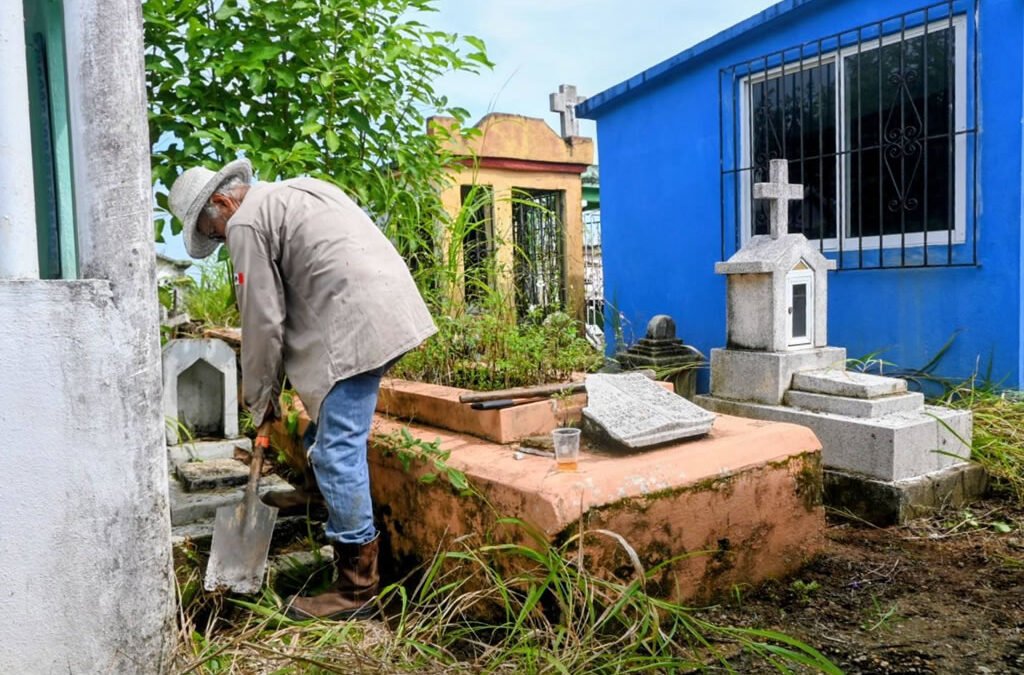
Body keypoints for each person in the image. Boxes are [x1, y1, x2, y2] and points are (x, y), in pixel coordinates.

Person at [168, 159, 437, 619]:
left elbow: (262, 321)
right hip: (389, 307)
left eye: (211, 232)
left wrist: (261, 398)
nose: (217, 239)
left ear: (221, 201)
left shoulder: (246, 222)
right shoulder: (295, 190)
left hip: (356, 323)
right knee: (328, 429)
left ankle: (357, 589)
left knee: (337, 450)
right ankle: (321, 495)